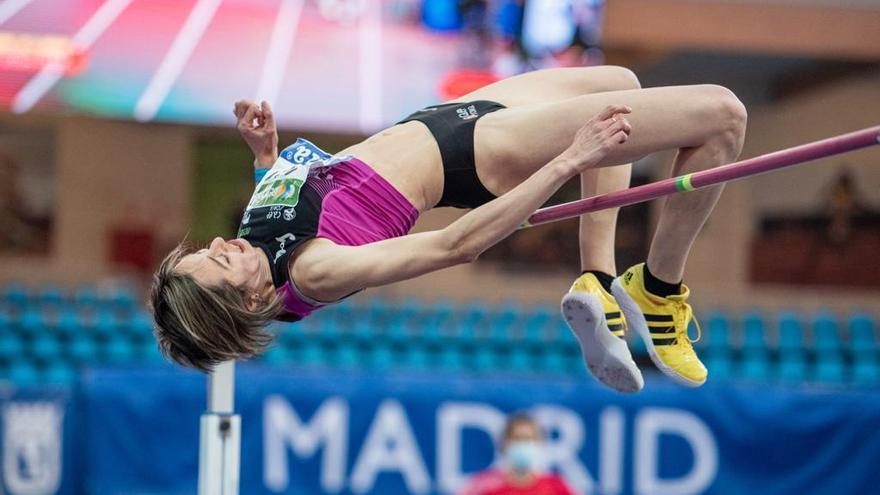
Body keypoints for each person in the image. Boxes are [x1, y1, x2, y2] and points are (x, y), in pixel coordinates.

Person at [150, 67, 747, 392]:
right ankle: (659, 291)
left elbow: (281, 205)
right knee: (724, 115)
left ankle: (597, 278)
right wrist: (572, 159)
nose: (225, 244)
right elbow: (455, 245)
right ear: (254, 299)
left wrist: (264, 153)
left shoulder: (253, 247)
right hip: (478, 154)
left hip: (444, 120)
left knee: (621, 81)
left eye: (211, 248)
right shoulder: (315, 273)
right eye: (223, 262)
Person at [457, 413, 574, 495]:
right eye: (517, 439)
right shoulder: (483, 486)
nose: (523, 444)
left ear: (540, 443)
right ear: (504, 443)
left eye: (529, 439)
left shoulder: (556, 488)